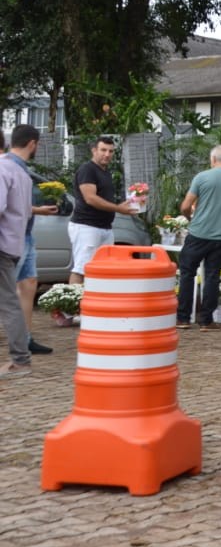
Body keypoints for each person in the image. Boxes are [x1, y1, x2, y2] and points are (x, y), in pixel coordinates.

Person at [176, 144, 221, 331]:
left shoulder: (202, 177)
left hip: (198, 233)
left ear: (213, 159)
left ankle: (183, 318)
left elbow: (185, 205)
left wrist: (191, 218)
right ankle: (206, 321)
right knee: (212, 276)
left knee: (187, 273)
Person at [6, 125, 58, 355]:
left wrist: (38, 210)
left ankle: (25, 338)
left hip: (26, 235)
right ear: (32, 144)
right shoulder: (6, 167)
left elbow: (16, 205)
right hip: (12, 240)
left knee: (28, 284)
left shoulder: (20, 168)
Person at [68, 136, 137, 285]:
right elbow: (90, 198)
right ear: (94, 150)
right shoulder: (87, 169)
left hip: (105, 227)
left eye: (111, 151)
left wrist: (126, 204)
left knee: (102, 269)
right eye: (103, 150)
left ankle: (96, 306)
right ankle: (73, 307)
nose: (107, 154)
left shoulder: (105, 172)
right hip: (86, 226)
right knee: (81, 268)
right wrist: (119, 208)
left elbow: (105, 199)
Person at [0, 128, 34, 378]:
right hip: (12, 243)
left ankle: (20, 360)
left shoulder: (2, 169)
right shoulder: (21, 173)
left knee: (9, 302)